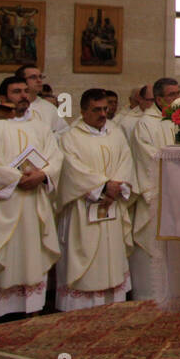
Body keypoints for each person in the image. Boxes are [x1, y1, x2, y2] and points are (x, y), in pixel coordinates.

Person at [0, 76, 63, 320]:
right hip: (4, 206)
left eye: (25, 91)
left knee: (32, 255)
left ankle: (31, 309)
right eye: (15, 92)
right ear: (3, 98)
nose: (23, 95)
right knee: (6, 257)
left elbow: (56, 158)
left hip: (34, 205)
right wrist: (17, 178)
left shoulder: (41, 128)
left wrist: (43, 175)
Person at [56, 88, 137, 310]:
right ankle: (77, 312)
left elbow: (126, 161)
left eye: (105, 109)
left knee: (111, 260)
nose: (103, 114)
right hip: (84, 209)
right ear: (83, 111)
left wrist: (116, 187)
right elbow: (72, 170)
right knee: (86, 262)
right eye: (96, 110)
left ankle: (113, 307)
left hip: (112, 206)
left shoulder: (116, 133)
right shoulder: (70, 137)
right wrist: (103, 187)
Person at [129, 77, 179, 299]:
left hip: (176, 197)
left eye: (178, 93)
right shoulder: (145, 124)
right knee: (150, 251)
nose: (177, 98)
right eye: (171, 95)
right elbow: (149, 158)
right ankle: (146, 299)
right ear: (158, 99)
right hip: (155, 196)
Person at [15, 65, 68, 134]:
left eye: (40, 77)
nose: (39, 80)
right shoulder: (12, 106)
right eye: (33, 77)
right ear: (21, 81)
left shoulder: (49, 108)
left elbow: (64, 132)